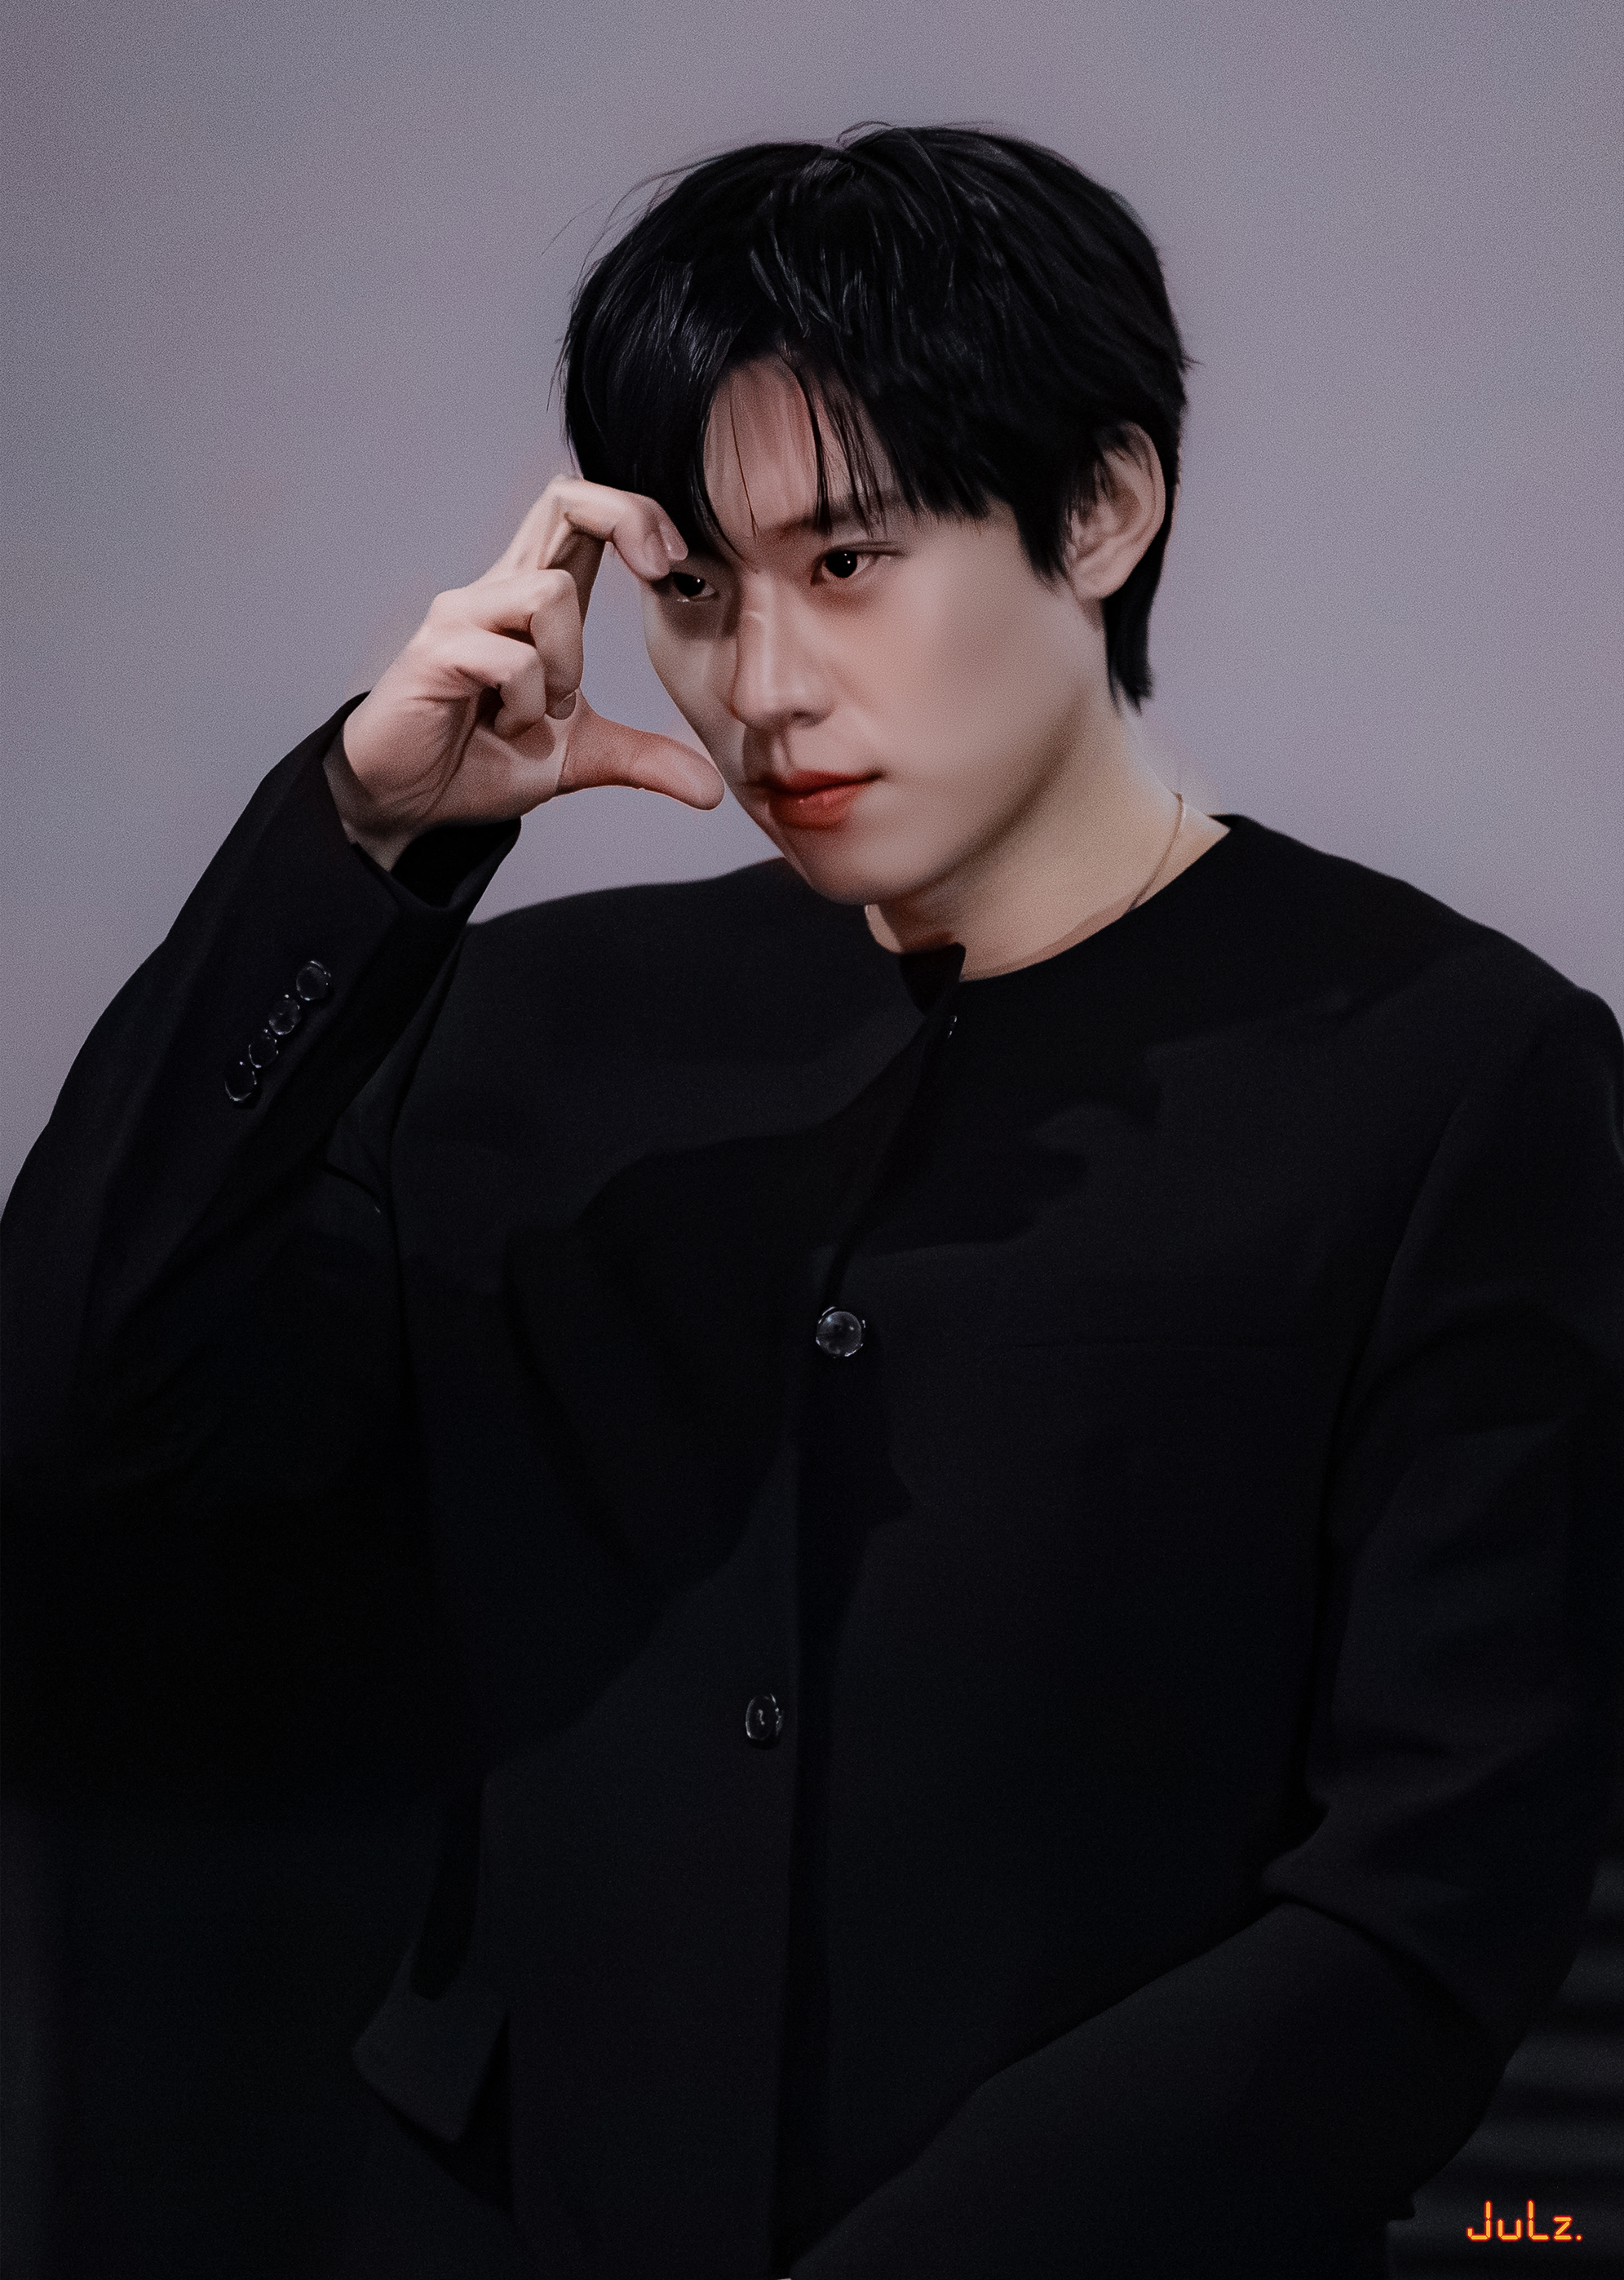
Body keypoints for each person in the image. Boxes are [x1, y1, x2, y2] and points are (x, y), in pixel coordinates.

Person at [3, 126, 1621, 2280]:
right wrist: (356, 843)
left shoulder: (1454, 1067)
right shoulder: (527, 1030)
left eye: (847, 560)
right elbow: (68, 1419)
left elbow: (1427, 1894)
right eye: (693, 589)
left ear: (1101, 508)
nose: (761, 685)